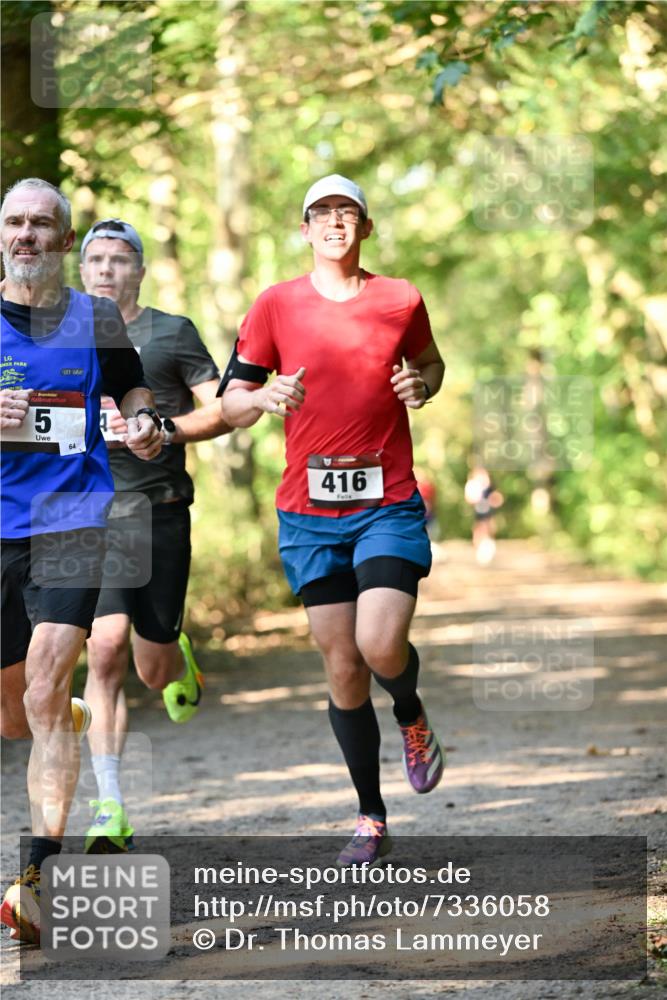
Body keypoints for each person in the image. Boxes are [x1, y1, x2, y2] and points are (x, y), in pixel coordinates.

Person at [220, 174, 446, 866]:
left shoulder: (399, 297)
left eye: (347, 212)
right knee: (343, 664)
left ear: (365, 227)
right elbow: (231, 400)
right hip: (308, 514)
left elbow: (430, 364)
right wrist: (262, 399)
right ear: (305, 228)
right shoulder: (275, 304)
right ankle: (371, 816)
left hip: (386, 502)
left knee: (379, 644)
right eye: (321, 213)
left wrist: (421, 385)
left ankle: (409, 710)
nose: (334, 222)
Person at [0, 178, 162, 943]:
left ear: (66, 241)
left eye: (42, 224)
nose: (27, 234)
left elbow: (132, 390)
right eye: (15, 222)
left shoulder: (94, 318)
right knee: (17, 715)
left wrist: (145, 424)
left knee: (42, 687)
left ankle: (35, 877)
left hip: (72, 519)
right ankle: (60, 718)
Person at [78, 218, 231, 852]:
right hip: (85, 512)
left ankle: (175, 655)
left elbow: (221, 408)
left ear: (139, 270)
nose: (106, 269)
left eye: (119, 259)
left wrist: (162, 428)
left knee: (151, 666)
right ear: (80, 270)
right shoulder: (60, 333)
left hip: (158, 508)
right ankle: (109, 805)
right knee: (104, 648)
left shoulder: (171, 332)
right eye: (95, 259)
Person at [464, 465, 504, 565]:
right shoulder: (474, 485)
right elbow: (470, 498)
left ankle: (487, 549)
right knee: (480, 529)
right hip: (479, 511)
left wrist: (494, 500)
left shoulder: (488, 487)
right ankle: (479, 550)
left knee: (489, 528)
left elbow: (497, 497)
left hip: (488, 511)